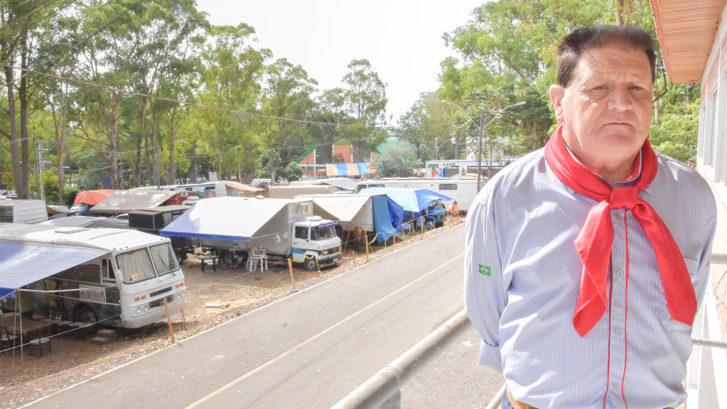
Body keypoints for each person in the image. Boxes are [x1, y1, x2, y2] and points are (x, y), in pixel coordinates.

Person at [464, 25, 717, 409]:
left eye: (638, 89)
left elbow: (690, 300)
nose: (621, 104)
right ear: (558, 101)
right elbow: (488, 313)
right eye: (599, 88)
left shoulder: (693, 198)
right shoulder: (503, 199)